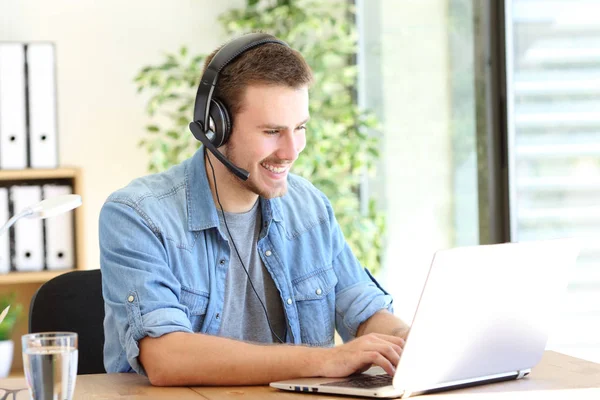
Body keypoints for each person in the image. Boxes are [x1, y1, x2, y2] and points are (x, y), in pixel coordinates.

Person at [99, 33, 410, 387]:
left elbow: (364, 310)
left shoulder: (309, 207)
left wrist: (409, 341)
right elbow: (166, 357)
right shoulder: (138, 215)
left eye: (300, 128)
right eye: (272, 131)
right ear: (216, 128)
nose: (291, 151)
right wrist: (327, 359)